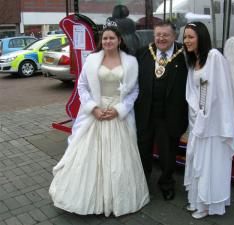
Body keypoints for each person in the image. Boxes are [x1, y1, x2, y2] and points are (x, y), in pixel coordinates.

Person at [49, 26, 149, 216]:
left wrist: (119, 110)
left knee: (119, 159)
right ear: (101, 41)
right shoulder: (92, 60)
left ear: (119, 40)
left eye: (111, 38)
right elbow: (82, 86)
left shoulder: (131, 62)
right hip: (96, 111)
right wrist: (93, 108)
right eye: (105, 39)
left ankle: (116, 200)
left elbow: (134, 91)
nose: (108, 41)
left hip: (117, 114)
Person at [183, 22, 234, 219]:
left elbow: (215, 93)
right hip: (199, 121)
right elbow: (192, 91)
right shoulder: (195, 60)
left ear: (201, 37)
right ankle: (197, 201)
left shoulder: (214, 58)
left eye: (191, 37)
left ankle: (208, 206)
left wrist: (203, 118)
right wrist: (197, 117)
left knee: (210, 164)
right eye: (185, 37)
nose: (186, 41)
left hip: (213, 125)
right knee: (197, 163)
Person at [134, 21, 188, 201]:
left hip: (170, 116)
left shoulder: (185, 55)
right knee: (143, 152)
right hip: (145, 114)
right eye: (158, 34)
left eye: (166, 35)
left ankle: (166, 183)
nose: (161, 38)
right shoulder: (143, 53)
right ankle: (142, 184)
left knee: (167, 155)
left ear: (174, 36)